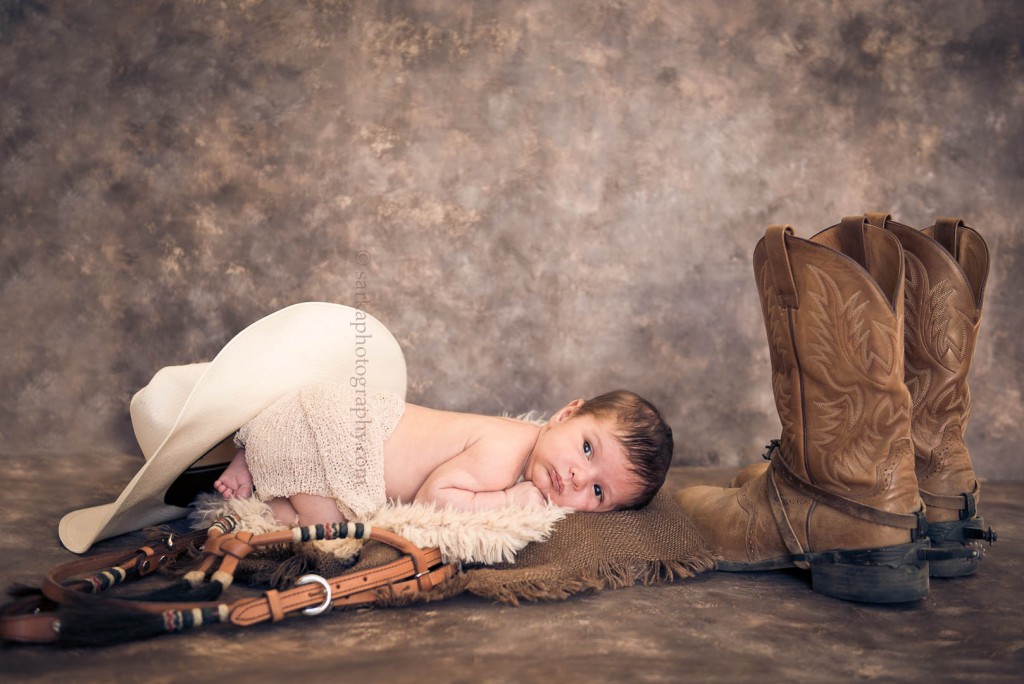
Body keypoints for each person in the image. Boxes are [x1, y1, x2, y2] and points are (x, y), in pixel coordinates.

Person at [214, 385, 673, 526]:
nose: (575, 476)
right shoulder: (503, 450)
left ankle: (253, 457)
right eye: (588, 448)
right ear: (565, 414)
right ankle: (261, 473)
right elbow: (435, 499)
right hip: (339, 434)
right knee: (333, 533)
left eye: (597, 490)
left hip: (336, 416)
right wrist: (508, 502)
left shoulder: (529, 450)